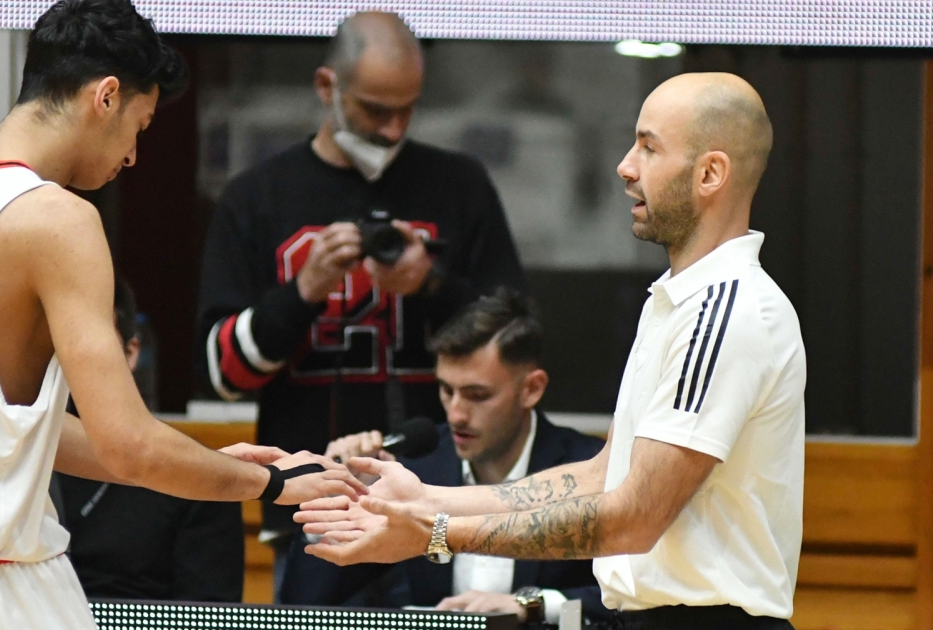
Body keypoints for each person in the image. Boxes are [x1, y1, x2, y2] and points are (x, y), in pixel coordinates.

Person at [0, 2, 365, 628]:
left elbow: (14, 431)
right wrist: (271, 484)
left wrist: (216, 466)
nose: (134, 156)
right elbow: (130, 446)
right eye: (139, 126)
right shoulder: (56, 218)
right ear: (106, 97)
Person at [298, 72, 805, 630]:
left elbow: (633, 518)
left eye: (649, 147)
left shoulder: (727, 310)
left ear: (710, 173)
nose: (625, 166)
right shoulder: (678, 301)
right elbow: (603, 476)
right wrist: (429, 498)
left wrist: (435, 532)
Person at [194, 10, 526, 581]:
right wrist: (303, 292)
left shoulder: (459, 185)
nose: (394, 129)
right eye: (376, 109)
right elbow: (222, 375)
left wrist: (430, 285)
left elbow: (517, 344)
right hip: (309, 504)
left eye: (408, 109)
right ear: (327, 87)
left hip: (439, 500)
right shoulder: (257, 197)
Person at [280, 290, 611, 625]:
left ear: (531, 389)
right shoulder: (416, 469)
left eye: (477, 395)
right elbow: (304, 604)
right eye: (446, 390)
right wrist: (337, 502)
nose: (455, 415)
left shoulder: (589, 468)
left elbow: (630, 598)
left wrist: (533, 604)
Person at [57, 279, 244, 602]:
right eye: (56, 340)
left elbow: (210, 613)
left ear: (131, 352)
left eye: (90, 339)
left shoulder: (194, 473)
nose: (71, 355)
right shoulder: (12, 455)